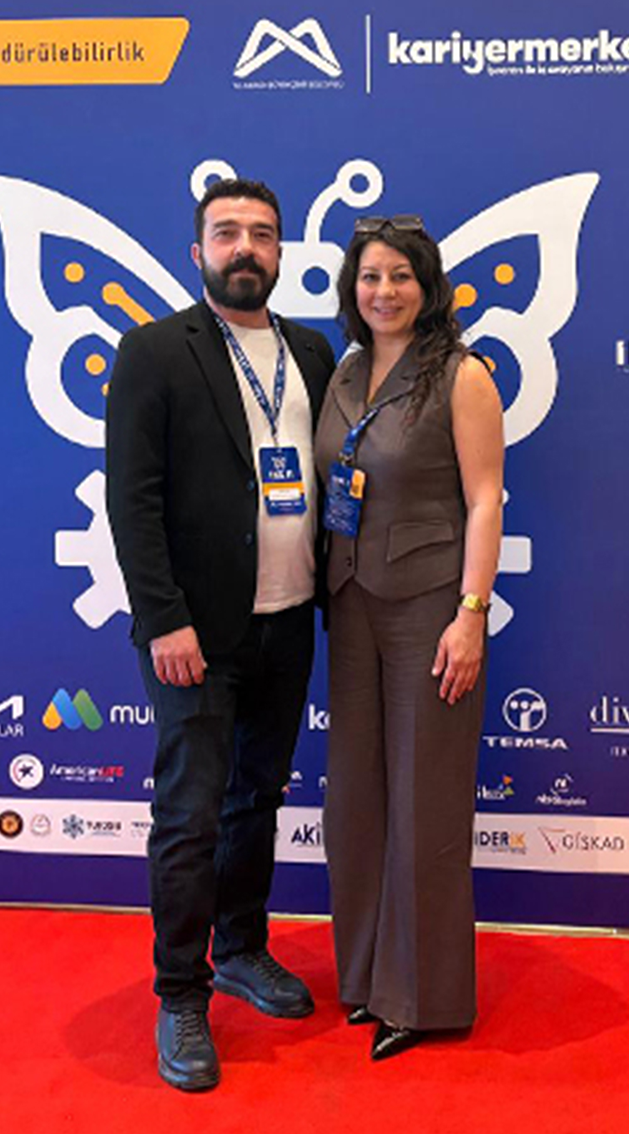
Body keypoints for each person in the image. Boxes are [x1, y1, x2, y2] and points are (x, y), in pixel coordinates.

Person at [106, 178, 334, 1091]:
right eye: (228, 232)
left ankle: (240, 949)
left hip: (289, 619)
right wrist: (164, 618)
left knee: (256, 801)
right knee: (190, 814)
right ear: (198, 251)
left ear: (281, 253)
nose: (247, 247)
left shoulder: (312, 352)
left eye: (263, 234)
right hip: (192, 634)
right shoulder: (155, 350)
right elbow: (133, 499)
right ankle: (180, 994)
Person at [315, 215, 503, 1061]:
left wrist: (471, 613)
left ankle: (421, 997)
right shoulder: (346, 371)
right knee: (355, 802)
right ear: (351, 288)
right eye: (369, 276)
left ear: (428, 287)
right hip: (349, 601)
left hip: (431, 606)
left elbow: (486, 500)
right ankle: (364, 978)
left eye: (400, 275)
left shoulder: (462, 374)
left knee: (425, 799)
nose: (383, 291)